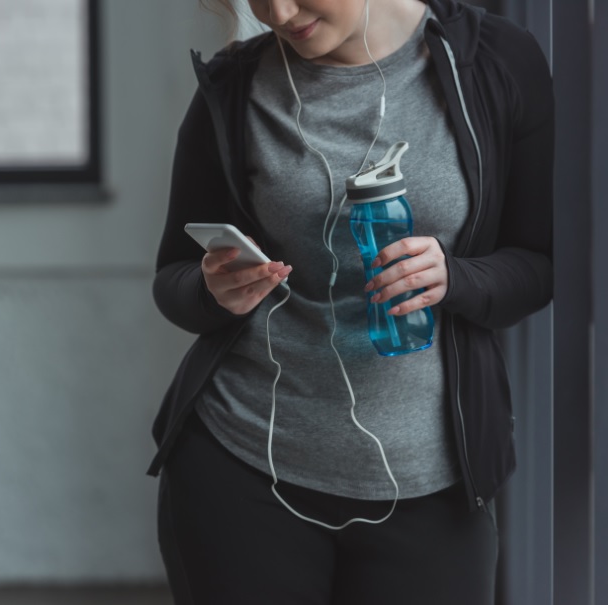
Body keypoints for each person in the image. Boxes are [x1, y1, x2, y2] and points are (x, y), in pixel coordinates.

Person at [148, 0, 554, 603]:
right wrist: (213, 291)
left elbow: (540, 263)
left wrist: (455, 278)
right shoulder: (234, 87)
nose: (279, 13)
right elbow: (172, 280)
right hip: (240, 470)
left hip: (433, 490)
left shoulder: (496, 60)